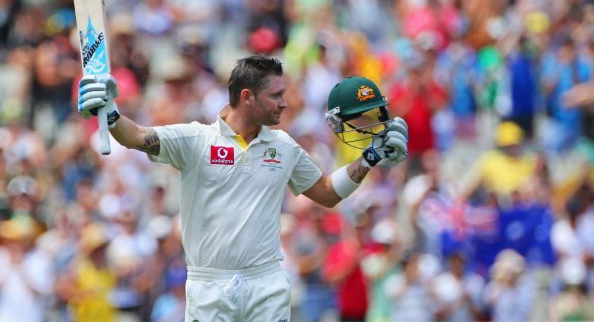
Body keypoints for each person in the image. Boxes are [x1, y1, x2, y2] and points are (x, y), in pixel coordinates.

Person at [77, 55, 408, 321]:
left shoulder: (284, 146)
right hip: (210, 287)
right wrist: (109, 112)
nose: (284, 103)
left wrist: (371, 156)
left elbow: (326, 192)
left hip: (266, 284)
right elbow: (136, 137)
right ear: (247, 97)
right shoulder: (196, 140)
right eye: (276, 95)